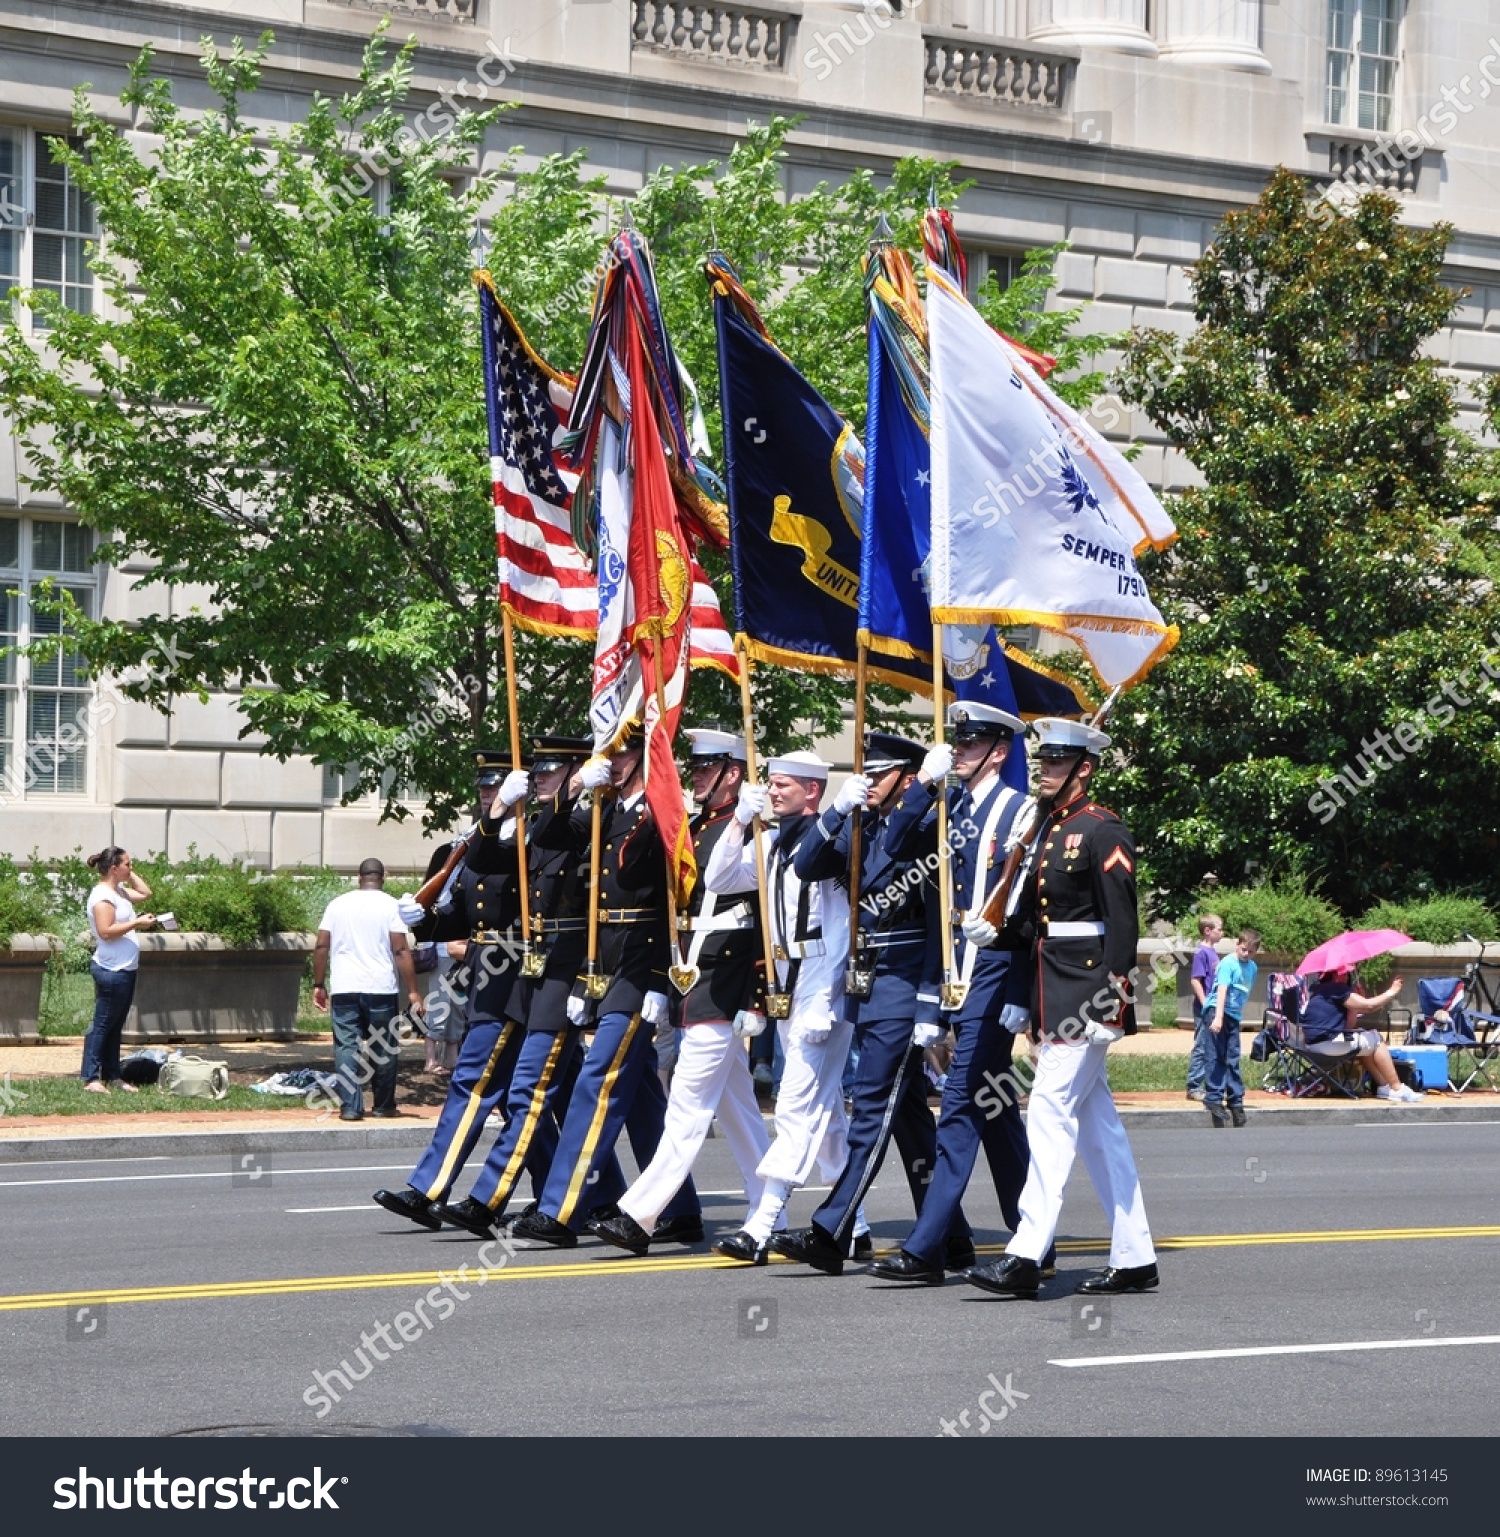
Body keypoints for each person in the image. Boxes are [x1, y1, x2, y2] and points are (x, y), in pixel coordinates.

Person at [966, 716, 1158, 1300]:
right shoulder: (1047, 828)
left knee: (1047, 1113)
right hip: (1054, 993)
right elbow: (1035, 922)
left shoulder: (1102, 831)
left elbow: (1122, 924)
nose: (1044, 770)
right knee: (1100, 1133)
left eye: (1056, 762)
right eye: (1043, 760)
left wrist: (1113, 999)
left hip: (1086, 993)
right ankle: (1134, 1256)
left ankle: (1026, 1251)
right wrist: (992, 934)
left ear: (1084, 769)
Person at [508, 726, 703, 1249]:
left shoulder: (661, 810)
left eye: (623, 753)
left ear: (647, 755)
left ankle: (561, 1209)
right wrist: (574, 793)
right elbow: (551, 838)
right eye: (608, 754)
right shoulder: (607, 807)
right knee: (638, 1096)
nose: (613, 763)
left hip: (643, 963)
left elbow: (673, 901)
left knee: (598, 1081)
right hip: (606, 960)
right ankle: (678, 1208)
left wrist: (662, 980)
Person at [773, 731, 958, 1275]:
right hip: (871, 984)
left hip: (904, 984)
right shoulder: (864, 823)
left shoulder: (925, 824)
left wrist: (926, 786)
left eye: (880, 775)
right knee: (906, 1120)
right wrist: (834, 812)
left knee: (871, 1109)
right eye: (867, 775)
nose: (870, 783)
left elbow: (901, 865)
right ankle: (948, 1236)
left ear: (906, 775)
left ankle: (831, 1229)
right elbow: (804, 864)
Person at [869, 703, 1038, 1287]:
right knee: (995, 1113)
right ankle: (1032, 1233)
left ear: (997, 752)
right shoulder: (947, 805)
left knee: (961, 1105)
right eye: (957, 744)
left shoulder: (1020, 811)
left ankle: (926, 1249)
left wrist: (1019, 988)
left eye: (971, 745)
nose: (961, 751)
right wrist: (924, 787)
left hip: (994, 969)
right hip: (952, 971)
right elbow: (894, 846)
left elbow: (1026, 908)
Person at [592, 728, 773, 1256]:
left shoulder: (755, 831)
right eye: (690, 769)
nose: (694, 777)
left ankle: (638, 1214)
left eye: (704, 769)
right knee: (740, 1116)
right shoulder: (693, 825)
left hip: (725, 989)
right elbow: (635, 874)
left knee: (687, 1108)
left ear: (732, 774)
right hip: (690, 986)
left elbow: (761, 921)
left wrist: (758, 999)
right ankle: (769, 1210)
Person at [373, 748, 540, 1224]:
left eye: (497, 788)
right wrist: (423, 920)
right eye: (485, 788)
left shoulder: (530, 838)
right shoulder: (477, 841)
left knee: (473, 1083)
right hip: (488, 976)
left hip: (517, 979)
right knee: (530, 1100)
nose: (488, 795)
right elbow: (465, 914)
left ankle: (427, 1190)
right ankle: (577, 1196)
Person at [703, 749, 851, 1263]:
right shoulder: (768, 843)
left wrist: (828, 1000)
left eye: (784, 784)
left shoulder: (833, 841)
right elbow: (717, 880)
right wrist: (740, 821)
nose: (773, 789)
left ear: (813, 791)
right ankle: (854, 1224)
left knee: (793, 1105)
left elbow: (841, 928)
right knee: (825, 1112)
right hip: (783, 979)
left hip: (819, 979)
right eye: (771, 781)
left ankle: (762, 1223)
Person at [313, 857, 425, 1122]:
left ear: (359, 877)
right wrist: (412, 991)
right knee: (384, 1048)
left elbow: (321, 946)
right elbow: (400, 949)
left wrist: (318, 984)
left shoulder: (337, 904)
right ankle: (384, 1105)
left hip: (344, 987)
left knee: (347, 1047)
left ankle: (351, 1108)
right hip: (381, 987)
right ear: (382, 876)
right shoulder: (391, 906)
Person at [81, 847, 155, 1093]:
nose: (131, 867)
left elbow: (146, 893)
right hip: (111, 969)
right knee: (102, 1025)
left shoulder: (118, 891)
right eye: (127, 864)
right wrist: (136, 922)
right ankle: (91, 1078)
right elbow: (106, 931)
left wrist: (130, 873)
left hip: (125, 968)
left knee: (114, 1025)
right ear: (114, 868)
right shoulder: (103, 897)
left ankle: (113, 1075)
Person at [1301, 967, 1419, 1101]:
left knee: (1364, 1038)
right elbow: (1369, 1006)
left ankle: (1383, 1087)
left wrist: (1354, 1005)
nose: (1347, 977)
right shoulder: (1337, 989)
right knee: (1376, 1038)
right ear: (1334, 975)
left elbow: (1349, 1026)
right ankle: (1397, 1087)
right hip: (1329, 1045)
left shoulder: (1319, 990)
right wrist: (1392, 991)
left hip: (1312, 1048)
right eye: (1344, 974)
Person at [1203, 926, 1260, 1127]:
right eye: (1243, 949)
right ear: (1237, 944)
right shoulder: (1228, 963)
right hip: (1217, 1011)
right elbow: (1222, 990)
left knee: (1232, 1058)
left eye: (1251, 951)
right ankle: (1214, 1098)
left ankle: (1236, 1101)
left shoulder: (1252, 967)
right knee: (1215, 1056)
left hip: (1233, 1016)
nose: (1246, 954)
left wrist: (1234, 1015)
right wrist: (1217, 1018)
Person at [1185, 912, 1224, 1101]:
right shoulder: (1202, 953)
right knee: (1201, 1045)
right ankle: (1194, 1086)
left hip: (1214, 1006)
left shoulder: (1212, 952)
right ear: (1208, 931)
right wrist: (1205, 1002)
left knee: (1212, 1045)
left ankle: (1210, 1084)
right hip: (1204, 1008)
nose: (1222, 932)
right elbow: (1195, 981)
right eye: (1220, 929)